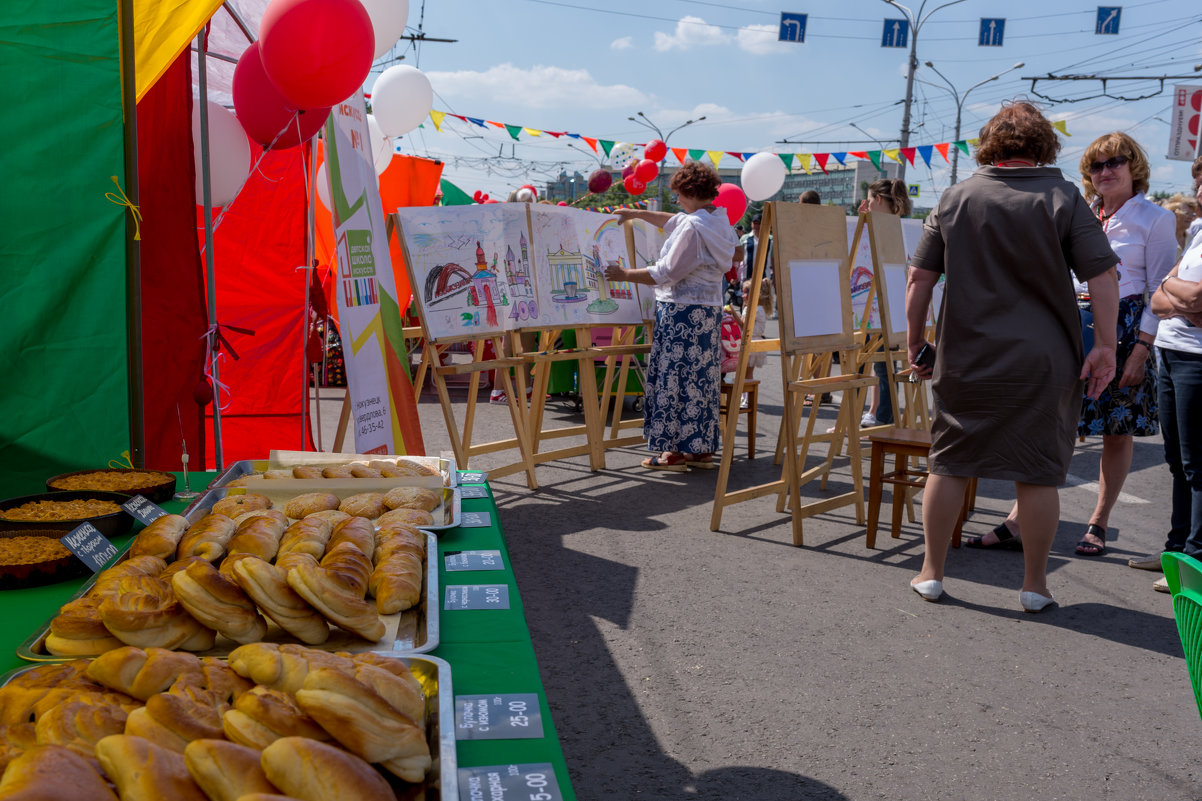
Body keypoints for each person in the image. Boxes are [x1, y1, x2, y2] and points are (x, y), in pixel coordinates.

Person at [905, 100, 1119, 612]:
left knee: (951, 462)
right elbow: (1103, 277)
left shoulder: (956, 196)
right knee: (1038, 471)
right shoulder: (1064, 196)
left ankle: (931, 572)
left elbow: (919, 280)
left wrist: (915, 341)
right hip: (1044, 359)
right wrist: (1106, 347)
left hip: (967, 354)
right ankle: (1034, 587)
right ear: (1044, 145)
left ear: (990, 145)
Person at [973, 134, 1177, 556]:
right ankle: (1018, 520)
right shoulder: (1081, 212)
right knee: (1051, 424)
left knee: (1116, 433)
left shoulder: (1154, 218)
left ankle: (1098, 523)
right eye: (1096, 166)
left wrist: (1141, 350)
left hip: (1125, 329)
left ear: (1133, 165)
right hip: (1071, 323)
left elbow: (1159, 289)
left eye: (1114, 162)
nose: (1105, 172)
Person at [605, 162, 738, 471]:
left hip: (682, 314)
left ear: (691, 193)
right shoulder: (717, 221)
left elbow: (667, 272)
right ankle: (700, 449)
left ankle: (672, 452)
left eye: (679, 194)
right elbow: (674, 221)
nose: (677, 201)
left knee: (673, 380)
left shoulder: (694, 228)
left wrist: (624, 273)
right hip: (706, 315)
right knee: (700, 382)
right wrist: (637, 214)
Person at [1135, 203, 1202, 591]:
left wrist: (1175, 295)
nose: (1198, 191)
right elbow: (1159, 295)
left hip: (1197, 360)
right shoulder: (1197, 234)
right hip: (1172, 352)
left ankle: (1194, 561)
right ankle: (1175, 551)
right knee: (1176, 460)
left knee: (1197, 463)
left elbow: (1192, 295)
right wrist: (1182, 300)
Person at [859, 179, 912, 428]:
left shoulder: (887, 229)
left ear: (879, 200)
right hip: (895, 310)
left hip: (882, 310)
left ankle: (883, 420)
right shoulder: (905, 227)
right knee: (883, 368)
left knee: (883, 369)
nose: (868, 205)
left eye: (870, 200)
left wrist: (860, 228)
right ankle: (877, 415)